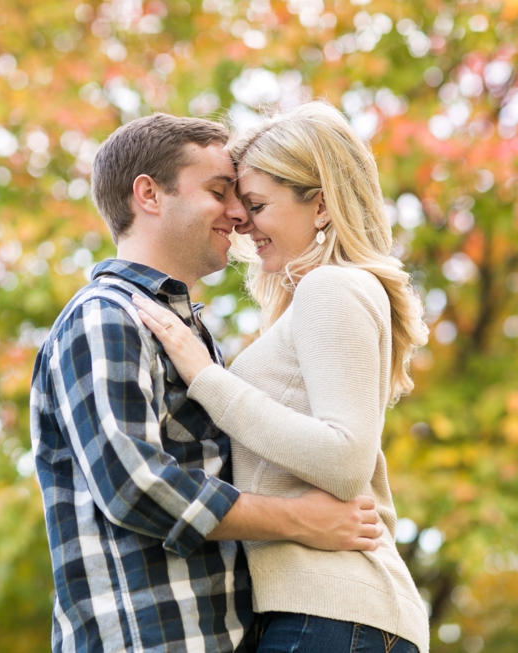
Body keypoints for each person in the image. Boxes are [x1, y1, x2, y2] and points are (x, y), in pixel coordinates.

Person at [29, 112, 384, 653]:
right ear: (149, 194)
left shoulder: (190, 337)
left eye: (248, 199)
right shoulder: (105, 317)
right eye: (221, 192)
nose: (239, 215)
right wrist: (299, 521)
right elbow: (136, 485)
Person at [133, 101, 431, 653]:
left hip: (333, 613)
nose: (240, 220)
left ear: (319, 205)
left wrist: (206, 378)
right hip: (325, 615)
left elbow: (345, 463)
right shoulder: (312, 299)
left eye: (256, 204)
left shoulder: (332, 288)